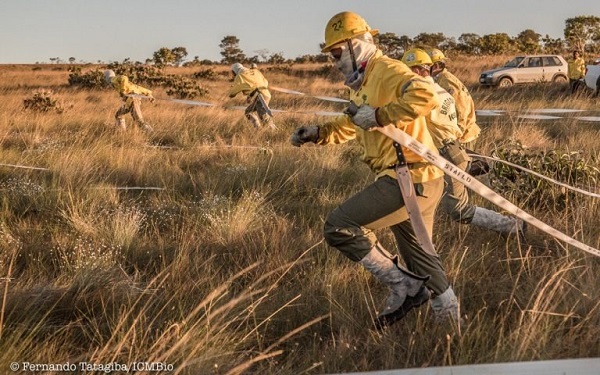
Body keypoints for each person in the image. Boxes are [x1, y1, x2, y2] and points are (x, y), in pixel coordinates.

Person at [290, 11, 460, 328]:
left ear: (357, 45)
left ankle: (404, 286)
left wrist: (381, 116)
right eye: (331, 55)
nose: (335, 60)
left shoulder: (387, 70)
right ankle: (453, 333)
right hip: (418, 179)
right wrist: (319, 133)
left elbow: (425, 94)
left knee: (338, 226)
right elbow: (354, 122)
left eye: (338, 52)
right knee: (422, 259)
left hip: (407, 179)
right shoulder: (364, 81)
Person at [402, 48, 524, 235]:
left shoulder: (425, 93)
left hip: (448, 154)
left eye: (405, 72)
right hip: (447, 151)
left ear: (417, 71)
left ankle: (511, 226)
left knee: (459, 210)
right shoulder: (439, 89)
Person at [427, 49, 480, 152]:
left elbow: (462, 109)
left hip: (464, 137)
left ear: (436, 66)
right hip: (461, 135)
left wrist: (457, 136)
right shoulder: (442, 79)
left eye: (427, 66)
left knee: (461, 166)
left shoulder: (447, 81)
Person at [228, 63, 276, 129]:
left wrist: (232, 91)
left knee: (263, 117)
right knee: (248, 112)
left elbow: (233, 92)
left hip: (260, 97)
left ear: (234, 71)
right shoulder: (256, 71)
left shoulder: (240, 76)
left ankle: (273, 131)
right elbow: (265, 82)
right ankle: (258, 128)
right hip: (266, 94)